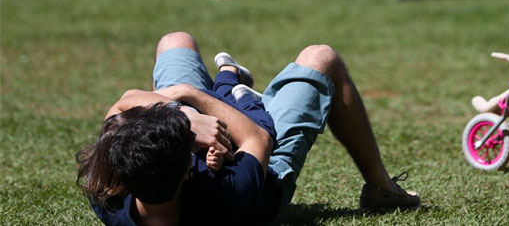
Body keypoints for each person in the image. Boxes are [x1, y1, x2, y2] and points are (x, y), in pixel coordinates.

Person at [76, 31, 420, 225]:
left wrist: (184, 116)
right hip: (261, 163)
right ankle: (381, 187)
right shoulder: (228, 196)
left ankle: (226, 85)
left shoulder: (108, 192)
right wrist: (189, 97)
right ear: (186, 169)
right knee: (322, 57)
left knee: (175, 41)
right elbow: (257, 137)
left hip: (179, 156)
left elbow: (122, 104)